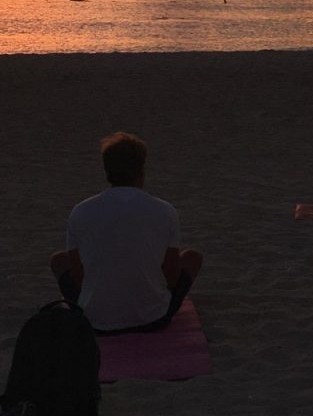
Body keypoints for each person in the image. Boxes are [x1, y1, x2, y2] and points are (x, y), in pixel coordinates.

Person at [50, 132, 203, 334]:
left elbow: (79, 277)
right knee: (192, 257)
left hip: (95, 321)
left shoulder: (81, 211)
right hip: (152, 319)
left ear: (107, 171)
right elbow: (171, 278)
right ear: (141, 169)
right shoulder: (165, 211)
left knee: (59, 260)